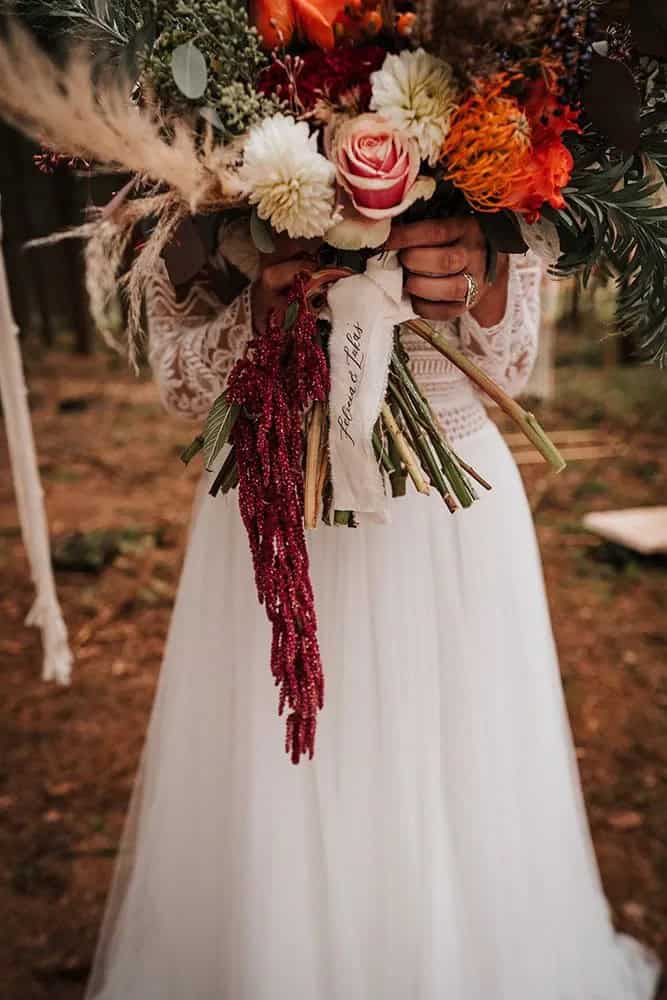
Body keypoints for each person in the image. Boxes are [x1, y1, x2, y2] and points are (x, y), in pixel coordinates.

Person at [84, 215, 660, 1000]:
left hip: (446, 503)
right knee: (282, 764)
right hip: (274, 497)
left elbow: (512, 364)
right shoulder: (176, 157)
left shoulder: (504, 127)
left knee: (451, 756)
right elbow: (181, 381)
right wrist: (257, 316)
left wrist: (478, 266)